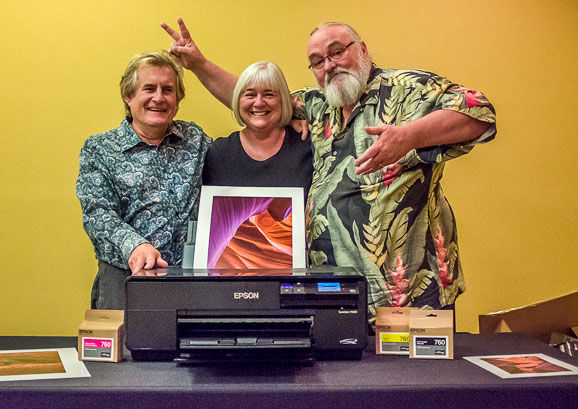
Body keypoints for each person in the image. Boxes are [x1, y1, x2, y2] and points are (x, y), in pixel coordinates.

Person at [161, 19, 496, 321]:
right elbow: (255, 100)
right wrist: (199, 64)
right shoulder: (320, 104)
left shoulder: (408, 90)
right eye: (318, 61)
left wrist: (409, 136)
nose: (329, 65)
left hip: (409, 290)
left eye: (337, 52)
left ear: (362, 49)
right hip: (335, 294)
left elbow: (479, 112)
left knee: (411, 372)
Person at [76, 50, 212, 309]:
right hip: (124, 280)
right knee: (122, 339)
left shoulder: (196, 140)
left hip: (187, 283)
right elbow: (97, 214)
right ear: (128, 96)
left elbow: (242, 148)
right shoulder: (99, 149)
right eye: (149, 88)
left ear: (177, 100)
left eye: (168, 90)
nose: (158, 98)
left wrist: (287, 122)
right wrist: (136, 247)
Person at [202, 61, 313, 268]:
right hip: (230, 278)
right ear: (238, 101)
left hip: (298, 277)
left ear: (283, 101)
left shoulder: (307, 147)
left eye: (269, 94)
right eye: (250, 95)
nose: (259, 103)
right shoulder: (219, 153)